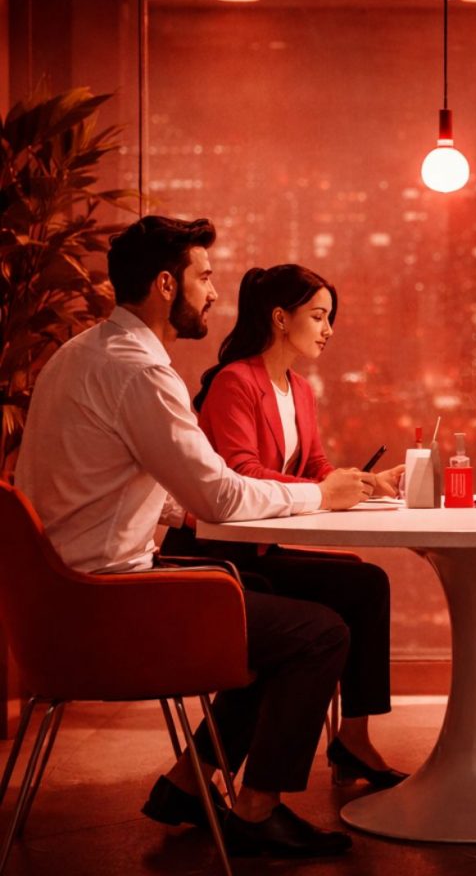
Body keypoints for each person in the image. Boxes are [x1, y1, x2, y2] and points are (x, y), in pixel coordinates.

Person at [14, 215, 376, 859]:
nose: (213, 293)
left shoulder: (82, 353)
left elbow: (112, 488)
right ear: (164, 284)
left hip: (60, 599)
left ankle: (186, 785)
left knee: (261, 596)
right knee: (318, 632)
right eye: (204, 277)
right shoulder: (141, 372)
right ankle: (258, 810)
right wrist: (321, 495)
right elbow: (220, 493)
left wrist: (177, 513)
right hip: (106, 603)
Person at [164, 263, 404, 787]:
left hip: (257, 551)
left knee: (366, 584)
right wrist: (326, 493)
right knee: (315, 630)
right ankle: (219, 785)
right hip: (213, 553)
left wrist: (362, 481)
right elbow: (242, 475)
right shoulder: (236, 381)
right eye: (318, 316)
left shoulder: (300, 389)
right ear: (279, 318)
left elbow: (312, 466)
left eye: (329, 318)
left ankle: (353, 739)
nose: (328, 329)